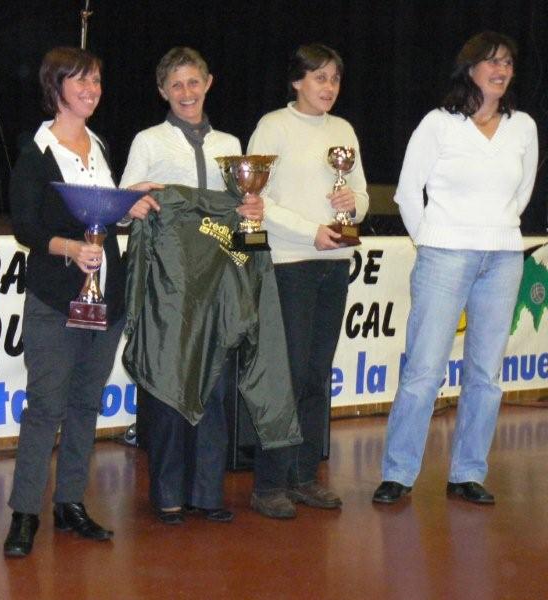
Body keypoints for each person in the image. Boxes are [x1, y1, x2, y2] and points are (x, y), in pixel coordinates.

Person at [4, 46, 158, 558]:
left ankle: (69, 504)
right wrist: (71, 249)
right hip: (54, 298)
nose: (91, 90)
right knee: (45, 406)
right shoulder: (36, 149)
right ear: (57, 87)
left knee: (86, 404)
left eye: (96, 81)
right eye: (80, 81)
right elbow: (27, 226)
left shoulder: (100, 145)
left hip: (104, 300)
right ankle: (24, 512)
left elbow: (102, 218)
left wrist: (126, 207)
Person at [373, 32, 538, 505]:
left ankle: (468, 472)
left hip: (504, 257)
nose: (501, 70)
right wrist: (432, 242)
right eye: (491, 62)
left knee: (486, 373)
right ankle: (399, 473)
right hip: (444, 254)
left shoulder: (523, 126)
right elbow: (408, 191)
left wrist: (497, 229)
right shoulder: (438, 124)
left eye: (507, 62)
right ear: (470, 69)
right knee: (424, 369)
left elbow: (521, 194)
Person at [120, 47, 263, 525]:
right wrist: (135, 200)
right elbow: (124, 206)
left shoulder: (231, 143)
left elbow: (240, 214)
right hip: (168, 287)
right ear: (163, 91)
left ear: (209, 83)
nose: (186, 92)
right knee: (166, 386)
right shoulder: (148, 141)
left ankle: (207, 492)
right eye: (176, 84)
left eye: (193, 82)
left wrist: (250, 216)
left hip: (218, 282)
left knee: (216, 385)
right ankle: (167, 495)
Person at [247, 44, 369, 518]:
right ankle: (268, 483)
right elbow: (258, 199)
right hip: (290, 263)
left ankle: (304, 476)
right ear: (297, 81)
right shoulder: (272, 126)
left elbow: (359, 189)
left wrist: (349, 208)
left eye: (335, 79)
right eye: (319, 78)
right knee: (289, 374)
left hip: (333, 261)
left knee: (318, 373)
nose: (329, 88)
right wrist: (310, 231)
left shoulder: (344, 130)